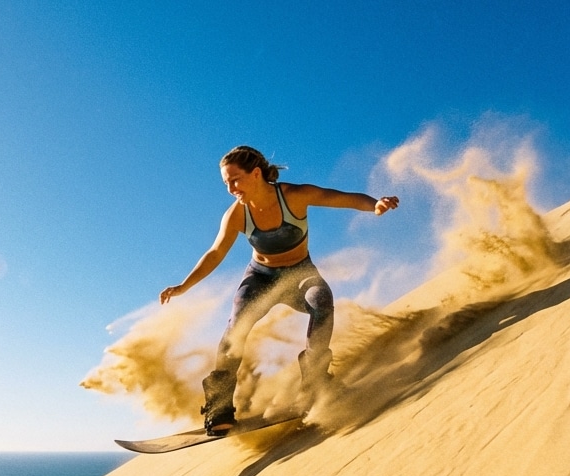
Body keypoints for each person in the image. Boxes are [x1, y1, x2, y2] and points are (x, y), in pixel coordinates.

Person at [160, 145, 399, 435]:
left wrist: (374, 204)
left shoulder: (294, 196)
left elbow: (340, 198)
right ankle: (219, 407)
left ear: (256, 173)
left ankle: (315, 381)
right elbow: (215, 253)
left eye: (235, 180)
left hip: (300, 275)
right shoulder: (236, 215)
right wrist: (183, 286)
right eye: (226, 183)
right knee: (236, 327)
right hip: (260, 278)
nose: (231, 189)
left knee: (321, 300)